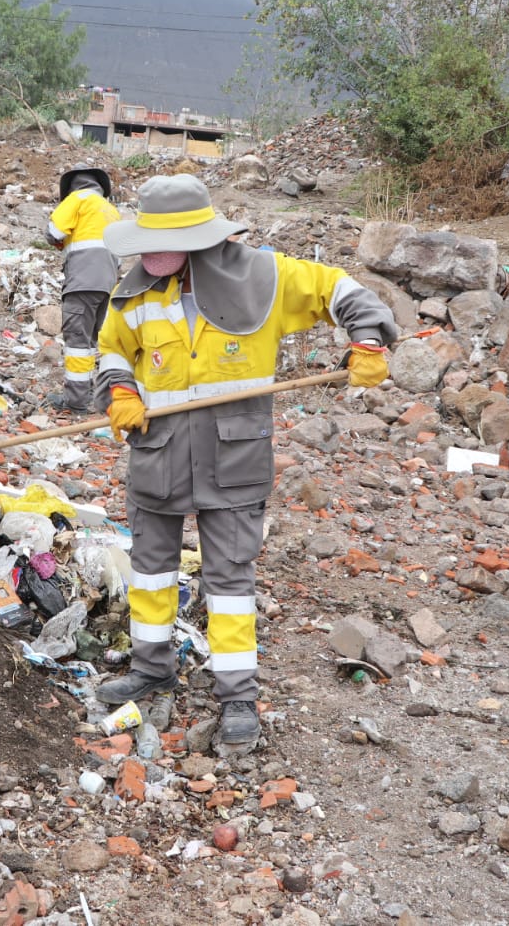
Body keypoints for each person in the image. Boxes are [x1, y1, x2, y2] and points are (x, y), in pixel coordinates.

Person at [92, 174, 398, 749]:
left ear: (198, 238)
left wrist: (368, 342)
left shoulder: (265, 278)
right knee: (152, 571)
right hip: (156, 457)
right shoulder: (133, 295)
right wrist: (121, 392)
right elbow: (110, 349)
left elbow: (343, 292)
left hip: (233, 460)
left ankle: (237, 695)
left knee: (230, 580)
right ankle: (151, 669)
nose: (145, 252)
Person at [45, 167, 120, 414]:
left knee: (77, 341)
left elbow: (54, 232)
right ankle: (101, 398)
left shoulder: (77, 199)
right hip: (108, 284)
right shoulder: (110, 210)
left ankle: (76, 402)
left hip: (82, 282)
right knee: (93, 342)